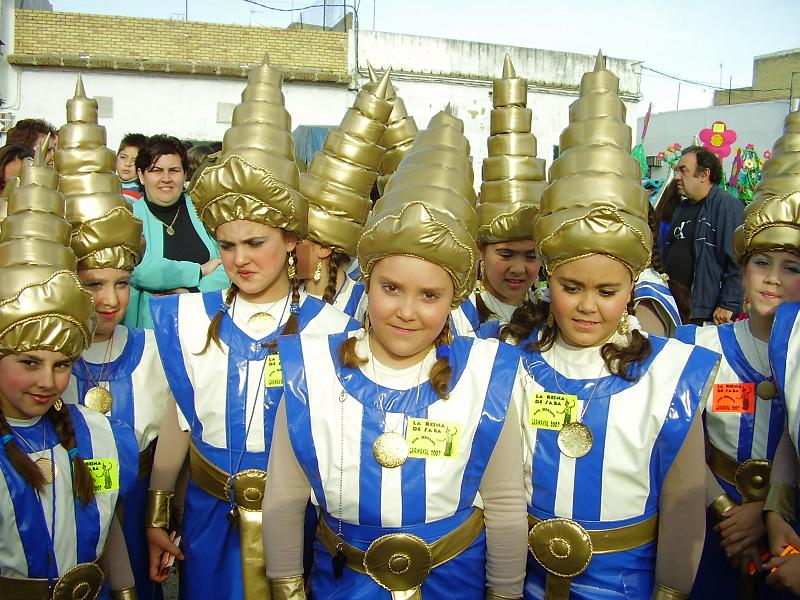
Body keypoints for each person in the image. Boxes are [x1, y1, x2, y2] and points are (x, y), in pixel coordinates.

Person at [264, 107, 528, 600]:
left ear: (453, 300)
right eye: (391, 288)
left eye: (429, 295)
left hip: (454, 585)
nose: (407, 312)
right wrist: (286, 588)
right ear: (367, 283)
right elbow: (284, 496)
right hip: (343, 585)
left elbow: (506, 504)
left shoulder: (485, 374)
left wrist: (506, 593)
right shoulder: (310, 369)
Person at [500, 53, 719, 600]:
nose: (587, 307)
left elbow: (684, 502)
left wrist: (670, 591)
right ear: (547, 276)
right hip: (523, 578)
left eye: (607, 291)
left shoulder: (669, 372)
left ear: (633, 286)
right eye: (570, 287)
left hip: (626, 586)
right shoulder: (508, 355)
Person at [143, 56, 358, 600]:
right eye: (227, 245)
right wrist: (159, 510)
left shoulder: (332, 328)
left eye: (256, 242)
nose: (240, 259)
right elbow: (181, 419)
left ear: (291, 240)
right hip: (209, 519)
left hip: (301, 521)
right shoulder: (190, 316)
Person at [0, 138, 139, 599]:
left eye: (62, 365)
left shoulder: (96, 432)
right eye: (29, 362)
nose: (47, 381)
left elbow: (106, 525)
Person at [677, 108, 800, 599]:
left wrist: (768, 511)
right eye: (761, 262)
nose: (773, 278)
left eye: (792, 267)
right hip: (716, 522)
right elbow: (681, 440)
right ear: (742, 268)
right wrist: (726, 511)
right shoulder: (704, 346)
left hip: (789, 528)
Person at [55, 77, 168, 600]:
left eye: (121, 283)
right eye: (93, 284)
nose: (109, 299)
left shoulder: (150, 352)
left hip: (136, 516)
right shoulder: (43, 367)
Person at [451, 54, 546, 337]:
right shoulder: (457, 318)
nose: (518, 269)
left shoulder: (552, 313)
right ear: (481, 250)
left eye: (531, 256)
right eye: (506, 254)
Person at [296, 70, 393, 320]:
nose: (288, 247)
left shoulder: (365, 305)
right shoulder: (283, 298)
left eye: (297, 240)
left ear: (323, 249)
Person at [124, 134, 228, 329]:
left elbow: (229, 263)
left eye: (174, 170)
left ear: (185, 173)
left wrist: (192, 293)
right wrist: (198, 271)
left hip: (207, 324)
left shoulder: (204, 210)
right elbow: (136, 270)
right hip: (151, 330)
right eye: (156, 170)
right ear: (141, 175)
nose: (166, 179)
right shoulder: (129, 217)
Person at [663, 146, 745, 325]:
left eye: (683, 170)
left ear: (704, 174)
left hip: (704, 313)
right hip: (676, 307)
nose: (677, 177)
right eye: (676, 171)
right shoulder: (682, 208)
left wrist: (729, 303)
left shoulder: (726, 207)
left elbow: (739, 261)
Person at [116, 133, 147, 202]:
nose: (127, 164)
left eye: (135, 161)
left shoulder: (143, 192)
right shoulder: (107, 182)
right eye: (123, 157)